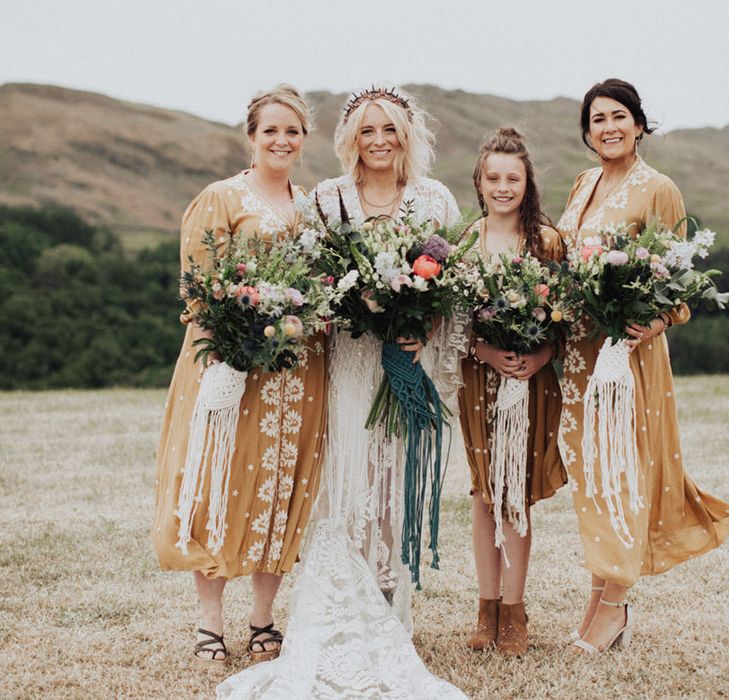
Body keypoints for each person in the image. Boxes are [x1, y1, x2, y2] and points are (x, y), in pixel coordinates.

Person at [217, 86, 468, 699]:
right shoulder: (328, 200)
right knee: (347, 485)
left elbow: (459, 291)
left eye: (389, 129)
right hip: (348, 364)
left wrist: (422, 326)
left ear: (408, 136)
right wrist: (360, 307)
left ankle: (389, 613)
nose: (378, 140)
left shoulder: (435, 201)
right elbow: (315, 284)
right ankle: (342, 613)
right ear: (350, 138)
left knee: (393, 489)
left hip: (408, 366)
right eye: (366, 130)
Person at [557, 78, 729, 654]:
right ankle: (597, 599)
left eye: (618, 116)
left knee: (622, 473)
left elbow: (678, 283)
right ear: (587, 133)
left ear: (639, 123)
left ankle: (613, 608)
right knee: (594, 479)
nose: (608, 127)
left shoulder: (658, 188)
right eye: (597, 120)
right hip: (579, 358)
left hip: (627, 358)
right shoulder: (584, 182)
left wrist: (656, 321)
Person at [152, 85, 327, 665]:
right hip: (231, 366)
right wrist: (229, 351)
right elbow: (199, 291)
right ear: (251, 137)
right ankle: (209, 623)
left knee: (281, 487)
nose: (282, 140)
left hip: (297, 375)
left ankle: (263, 620)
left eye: (292, 131)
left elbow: (320, 289)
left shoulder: (311, 206)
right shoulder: (221, 198)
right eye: (271, 130)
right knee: (220, 485)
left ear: (303, 140)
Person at [458, 127, 567, 655]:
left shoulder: (547, 242)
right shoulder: (464, 243)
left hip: (530, 381)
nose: (503, 187)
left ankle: (515, 611)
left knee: (516, 493)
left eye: (513, 178)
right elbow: (452, 322)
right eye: (493, 178)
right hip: (480, 380)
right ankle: (486, 608)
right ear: (479, 182)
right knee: (485, 492)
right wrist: (484, 352)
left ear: (528, 183)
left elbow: (568, 319)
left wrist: (539, 356)